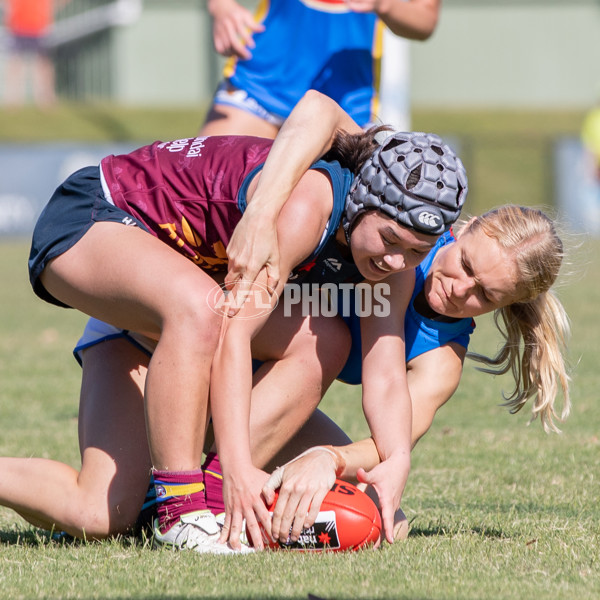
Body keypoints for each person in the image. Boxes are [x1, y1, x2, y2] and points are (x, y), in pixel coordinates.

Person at [19, 91, 467, 552]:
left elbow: (387, 375)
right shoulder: (306, 209)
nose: (396, 259)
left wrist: (397, 459)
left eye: (416, 251)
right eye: (390, 238)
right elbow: (234, 333)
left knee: (96, 514)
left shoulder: (392, 268)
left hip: (173, 312)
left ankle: (206, 500)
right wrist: (237, 465)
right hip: (96, 216)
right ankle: (181, 507)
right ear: (362, 201)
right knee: (205, 307)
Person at [199, 204, 572, 545]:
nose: (460, 289)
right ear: (466, 226)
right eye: (467, 265)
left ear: (506, 305)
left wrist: (330, 459)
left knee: (378, 516)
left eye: (485, 295)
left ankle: (247, 508)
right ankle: (201, 491)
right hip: (213, 348)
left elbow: (391, 447)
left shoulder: (442, 359)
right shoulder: (400, 239)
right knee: (328, 342)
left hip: (263, 392)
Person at [201, 0, 441, 137]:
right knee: (204, 186)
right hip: (258, 87)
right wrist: (221, 7)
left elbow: (425, 19)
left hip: (345, 107)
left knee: (313, 219)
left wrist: (384, 4)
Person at [2, 0, 66, 107]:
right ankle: (12, 97)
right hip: (17, 27)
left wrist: (49, 9)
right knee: (15, 63)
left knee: (44, 64)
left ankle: (46, 97)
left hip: (40, 27)